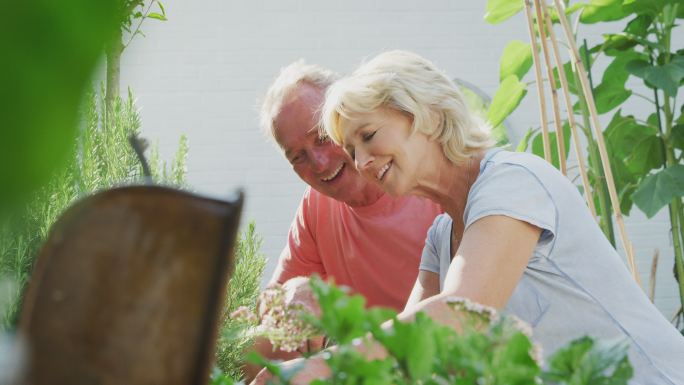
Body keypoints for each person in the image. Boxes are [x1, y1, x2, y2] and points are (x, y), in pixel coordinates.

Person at [252, 50, 684, 384]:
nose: (360, 162)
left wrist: (315, 372)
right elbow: (411, 356)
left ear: (428, 115)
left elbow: (462, 315)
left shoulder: (513, 182)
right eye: (354, 149)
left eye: (368, 137)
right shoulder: (443, 238)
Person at [244, 60, 442, 380]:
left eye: (322, 136)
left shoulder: (431, 186)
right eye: (298, 156)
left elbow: (457, 317)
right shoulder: (316, 207)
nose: (319, 164)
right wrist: (295, 293)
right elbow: (265, 331)